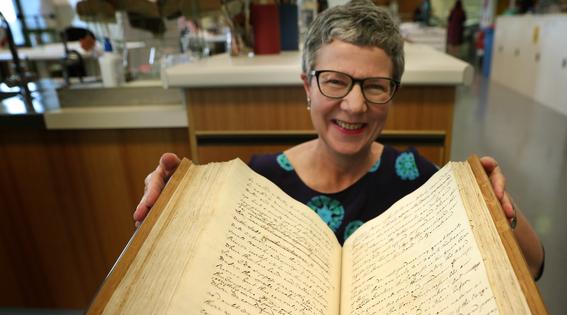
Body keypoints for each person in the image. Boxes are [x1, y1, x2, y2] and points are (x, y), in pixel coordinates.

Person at [133, 0, 544, 279]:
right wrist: (171, 212)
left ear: (392, 92)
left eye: (376, 86)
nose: (354, 105)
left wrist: (497, 207)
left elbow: (533, 266)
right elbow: (188, 273)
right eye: (334, 82)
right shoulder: (257, 181)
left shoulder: (418, 179)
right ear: (307, 87)